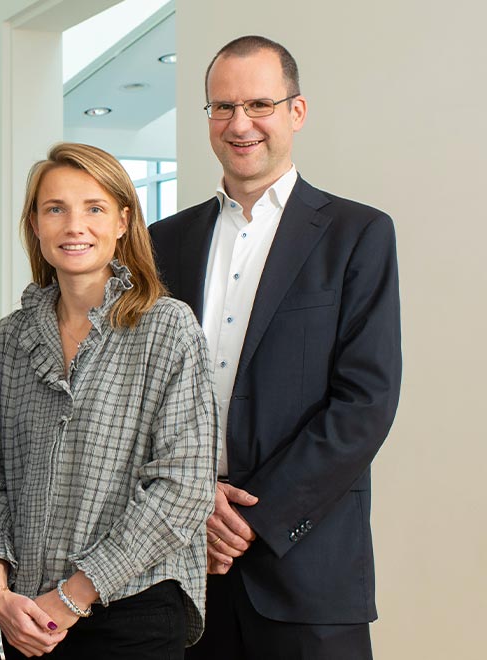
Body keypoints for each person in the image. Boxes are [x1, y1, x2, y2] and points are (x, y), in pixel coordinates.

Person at [149, 36, 402, 660]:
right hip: (185, 568)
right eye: (222, 107)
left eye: (260, 104)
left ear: (297, 111)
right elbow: (145, 395)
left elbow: (364, 403)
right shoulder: (163, 242)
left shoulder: (357, 233)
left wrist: (250, 520)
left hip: (307, 572)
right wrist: (194, 497)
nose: (240, 124)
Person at [0, 143, 218, 659]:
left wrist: (74, 595)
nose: (74, 225)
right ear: (36, 224)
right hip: (31, 620)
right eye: (55, 209)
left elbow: (184, 487)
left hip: (135, 611)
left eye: (94, 208)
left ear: (123, 221)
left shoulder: (168, 327)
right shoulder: (10, 339)